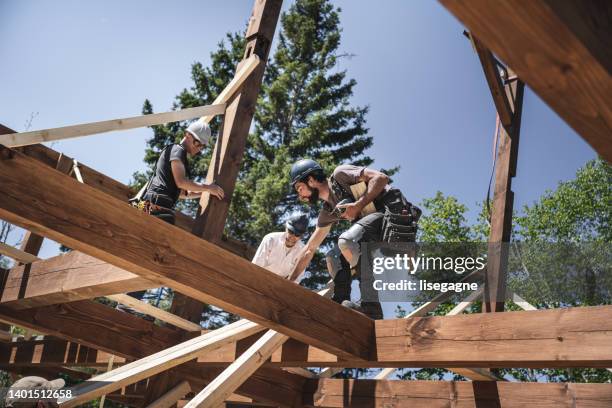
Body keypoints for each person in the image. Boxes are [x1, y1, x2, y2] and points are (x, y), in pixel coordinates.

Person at [287, 159, 420, 319]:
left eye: (299, 188)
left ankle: (370, 307)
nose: (300, 195)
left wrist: (358, 205)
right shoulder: (328, 211)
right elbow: (310, 248)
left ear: (311, 180)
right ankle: (342, 304)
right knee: (333, 256)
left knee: (348, 241)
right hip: (372, 229)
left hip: (392, 216)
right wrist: (290, 282)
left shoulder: (340, 175)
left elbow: (381, 178)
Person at [123, 120, 225, 308]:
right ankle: (126, 303)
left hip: (157, 208)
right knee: (159, 259)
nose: (199, 149)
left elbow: (183, 192)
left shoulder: (181, 157)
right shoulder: (177, 150)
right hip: (153, 207)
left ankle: (128, 303)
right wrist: (208, 187)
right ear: (187, 135)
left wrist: (205, 192)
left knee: (154, 261)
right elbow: (181, 182)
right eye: (198, 144)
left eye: (202, 146)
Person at [252, 214, 309, 283]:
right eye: (291, 232)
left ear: (302, 236)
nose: (292, 237)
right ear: (286, 228)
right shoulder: (271, 239)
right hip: (260, 278)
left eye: (297, 235)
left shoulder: (303, 251)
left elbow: (296, 279)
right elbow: (257, 264)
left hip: (280, 286)